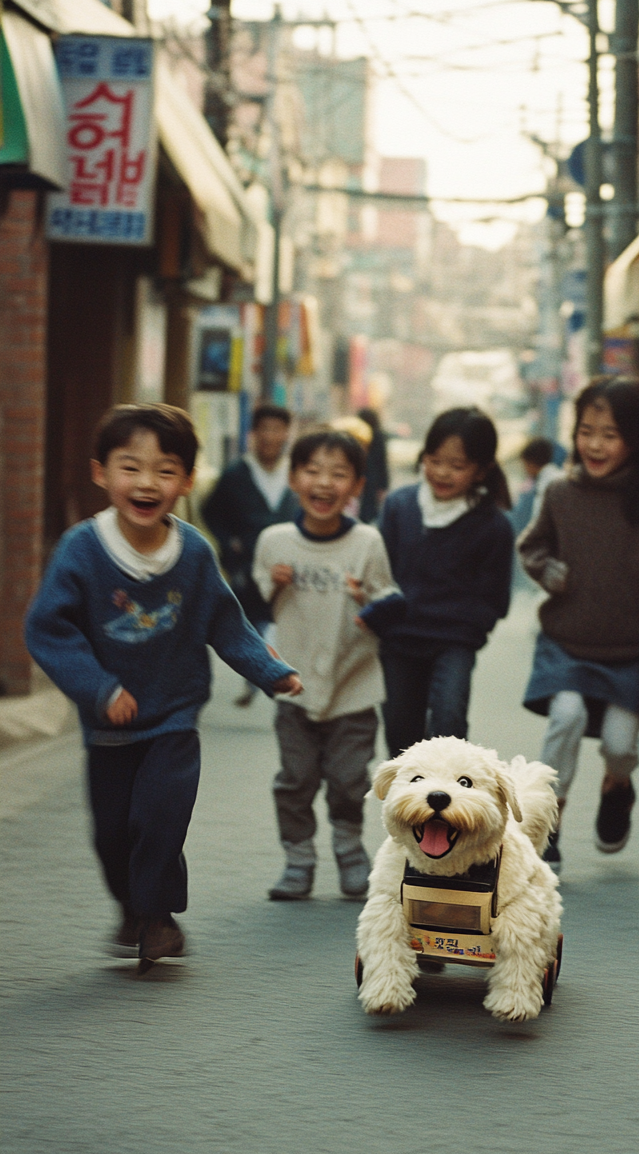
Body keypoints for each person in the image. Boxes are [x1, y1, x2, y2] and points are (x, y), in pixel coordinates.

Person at [25, 404, 302, 963]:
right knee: (112, 835)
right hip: (109, 724)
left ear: (188, 481)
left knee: (159, 819)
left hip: (174, 714)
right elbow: (48, 631)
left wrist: (270, 672)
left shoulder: (194, 553)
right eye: (131, 468)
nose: (147, 483)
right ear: (101, 473)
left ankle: (158, 918)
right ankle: (132, 905)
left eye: (165, 470)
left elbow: (227, 623)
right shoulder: (81, 550)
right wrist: (99, 689)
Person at [518, 378, 639, 873]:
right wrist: (548, 572)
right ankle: (546, 823)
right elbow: (532, 547)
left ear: (637, 440)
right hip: (566, 643)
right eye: (586, 431)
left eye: (610, 434)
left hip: (633, 650)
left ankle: (618, 786)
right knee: (567, 717)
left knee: (620, 747)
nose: (593, 444)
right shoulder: (559, 494)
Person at [253, 430, 404, 901]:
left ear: (357, 485)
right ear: (295, 477)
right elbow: (253, 608)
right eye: (313, 471)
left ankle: (349, 851)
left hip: (354, 690)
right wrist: (274, 586)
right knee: (295, 780)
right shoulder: (274, 541)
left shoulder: (366, 542)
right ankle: (298, 861)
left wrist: (367, 601)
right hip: (295, 689)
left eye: (338, 474)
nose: (324, 483)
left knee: (348, 779)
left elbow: (391, 602)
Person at [378, 407, 514, 757]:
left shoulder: (493, 526)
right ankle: (409, 806)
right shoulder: (398, 507)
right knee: (399, 728)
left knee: (449, 722)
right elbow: (378, 572)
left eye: (457, 466)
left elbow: (496, 598)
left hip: (453, 643)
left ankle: (445, 799)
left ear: (481, 470)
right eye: (434, 460)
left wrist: (468, 627)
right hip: (398, 640)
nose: (442, 473)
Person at [201, 404, 299, 706]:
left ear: (286, 434)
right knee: (252, 618)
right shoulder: (236, 474)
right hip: (249, 562)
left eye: (277, 429)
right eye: (264, 430)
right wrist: (229, 541)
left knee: (286, 618)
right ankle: (259, 674)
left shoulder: (296, 474)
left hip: (290, 563)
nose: (271, 437)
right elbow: (210, 511)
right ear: (253, 434)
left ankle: (285, 671)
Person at [357, 406, 390, 523]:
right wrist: (383, 486)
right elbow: (382, 463)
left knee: (363, 505)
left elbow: (381, 462)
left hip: (365, 475)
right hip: (373, 477)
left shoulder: (361, 436)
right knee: (368, 506)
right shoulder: (378, 436)